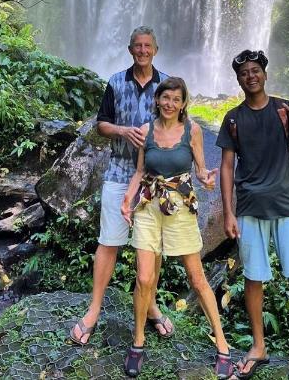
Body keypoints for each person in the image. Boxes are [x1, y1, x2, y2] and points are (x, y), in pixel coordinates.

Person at [216, 50, 289, 380]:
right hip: (249, 209)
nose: (250, 76)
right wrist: (228, 213)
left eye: (255, 70)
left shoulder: (283, 110)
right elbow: (226, 167)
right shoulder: (233, 119)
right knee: (253, 278)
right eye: (244, 73)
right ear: (238, 80)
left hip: (288, 205)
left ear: (264, 74)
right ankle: (258, 346)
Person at [120, 76, 234, 379]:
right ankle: (138, 341)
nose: (170, 104)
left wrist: (207, 179)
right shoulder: (146, 131)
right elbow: (141, 171)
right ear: (157, 99)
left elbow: (199, 170)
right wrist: (127, 199)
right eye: (165, 98)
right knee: (144, 277)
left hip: (181, 207)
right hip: (148, 206)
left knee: (197, 278)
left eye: (176, 99)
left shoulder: (192, 131)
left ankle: (222, 345)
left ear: (183, 104)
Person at [70, 27, 174, 345]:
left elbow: (179, 126)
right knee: (109, 242)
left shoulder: (167, 84)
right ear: (130, 49)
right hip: (118, 172)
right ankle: (94, 309)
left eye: (148, 46)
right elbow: (101, 124)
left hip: (154, 177)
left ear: (156, 49)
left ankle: (152, 305)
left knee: (153, 248)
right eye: (137, 46)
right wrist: (124, 131)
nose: (142, 51)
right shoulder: (115, 81)